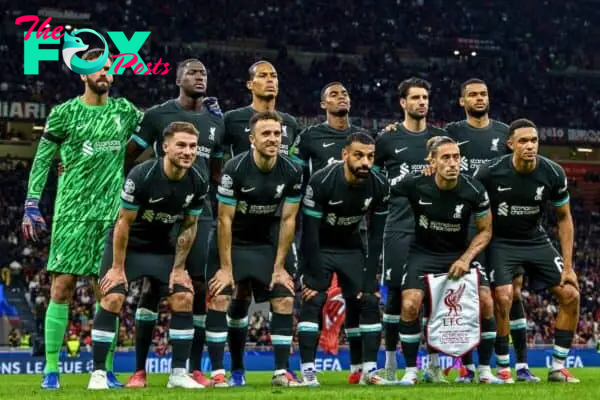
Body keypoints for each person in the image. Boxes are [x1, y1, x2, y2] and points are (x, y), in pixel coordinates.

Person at [21, 49, 142, 390]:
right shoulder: (64, 114)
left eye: (108, 68)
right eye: (96, 68)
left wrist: (192, 111)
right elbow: (43, 159)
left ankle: (102, 371)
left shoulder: (124, 111)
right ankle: (50, 370)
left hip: (111, 217)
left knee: (109, 292)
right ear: (82, 74)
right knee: (61, 288)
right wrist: (31, 202)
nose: (104, 73)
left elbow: (158, 127)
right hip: (71, 214)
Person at [123, 59, 223, 388]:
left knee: (195, 286)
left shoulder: (214, 120)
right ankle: (140, 369)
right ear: (178, 78)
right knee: (152, 285)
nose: (199, 76)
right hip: (160, 211)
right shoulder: (156, 115)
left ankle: (190, 369)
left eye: (204, 72)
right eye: (193, 72)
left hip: (199, 211)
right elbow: (127, 156)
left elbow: (217, 171)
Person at [88, 121, 209, 390]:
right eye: (181, 145)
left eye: (192, 146)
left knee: (183, 295)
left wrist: (179, 268)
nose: (188, 151)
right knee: (113, 295)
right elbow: (123, 224)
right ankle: (98, 374)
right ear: (165, 147)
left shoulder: (198, 182)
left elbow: (189, 226)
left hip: (161, 246)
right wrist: (117, 268)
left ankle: (178, 373)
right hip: (128, 245)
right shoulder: (141, 175)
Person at [474, 119, 580, 383]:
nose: (530, 146)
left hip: (535, 240)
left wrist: (568, 267)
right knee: (504, 296)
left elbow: (564, 218)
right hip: (501, 242)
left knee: (570, 295)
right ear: (510, 144)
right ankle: (503, 367)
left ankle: (557, 367)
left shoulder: (553, 173)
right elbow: (469, 205)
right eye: (523, 141)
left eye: (534, 140)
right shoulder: (490, 172)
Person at [445, 78, 535, 382]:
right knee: (472, 297)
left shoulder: (504, 133)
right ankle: (468, 367)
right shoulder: (452, 133)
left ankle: (518, 364)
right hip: (465, 224)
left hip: (504, 227)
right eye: (472, 94)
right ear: (462, 101)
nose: (479, 98)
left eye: (484, 93)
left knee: (513, 294)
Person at [205, 111, 303, 387]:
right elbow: (224, 219)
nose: (273, 139)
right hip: (233, 240)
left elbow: (288, 219)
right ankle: (221, 373)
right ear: (252, 139)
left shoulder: (293, 170)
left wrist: (280, 266)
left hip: (267, 241)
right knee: (220, 296)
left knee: (283, 296)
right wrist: (226, 269)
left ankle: (281, 372)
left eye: (276, 134)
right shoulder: (234, 170)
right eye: (266, 134)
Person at [394, 136, 500, 385]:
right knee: (410, 304)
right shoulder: (414, 183)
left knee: (486, 300)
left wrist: (465, 259)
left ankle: (484, 370)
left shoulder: (473, 189)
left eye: (456, 157)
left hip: (459, 255)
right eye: (446, 158)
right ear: (431, 161)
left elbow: (485, 230)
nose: (453, 163)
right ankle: (411, 371)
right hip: (423, 253)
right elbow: (381, 189)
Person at [291, 81, 370, 383]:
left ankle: (360, 369)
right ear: (323, 104)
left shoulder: (363, 138)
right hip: (317, 232)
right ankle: (308, 371)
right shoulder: (310, 137)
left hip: (354, 231)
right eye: (334, 94)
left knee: (358, 300)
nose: (342, 97)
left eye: (346, 93)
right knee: (312, 297)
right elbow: (294, 176)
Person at [297, 132, 390, 386]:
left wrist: (371, 277)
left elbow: (376, 234)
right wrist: (313, 274)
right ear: (345, 154)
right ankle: (308, 372)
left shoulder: (379, 185)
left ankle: (369, 371)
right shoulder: (322, 180)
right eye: (359, 155)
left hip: (351, 248)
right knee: (313, 298)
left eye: (370, 156)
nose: (365, 163)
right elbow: (310, 233)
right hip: (320, 248)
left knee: (369, 300)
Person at [372, 77, 445, 382]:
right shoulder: (387, 140)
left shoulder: (442, 139)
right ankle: (390, 363)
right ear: (402, 103)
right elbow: (373, 182)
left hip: (435, 231)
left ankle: (433, 366)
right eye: (415, 97)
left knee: (435, 299)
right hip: (398, 229)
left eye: (425, 97)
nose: (421, 102)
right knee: (396, 297)